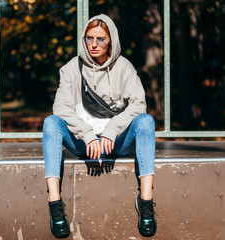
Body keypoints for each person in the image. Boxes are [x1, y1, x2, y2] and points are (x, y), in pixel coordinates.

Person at [42, 14, 156, 238]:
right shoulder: (71, 68)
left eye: (101, 39)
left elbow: (139, 104)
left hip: (117, 142)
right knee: (50, 123)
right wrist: (87, 134)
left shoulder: (124, 67)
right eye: (89, 38)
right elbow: (61, 108)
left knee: (146, 121)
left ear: (111, 40)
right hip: (84, 144)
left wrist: (112, 130)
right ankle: (55, 204)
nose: (94, 45)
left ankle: (145, 202)